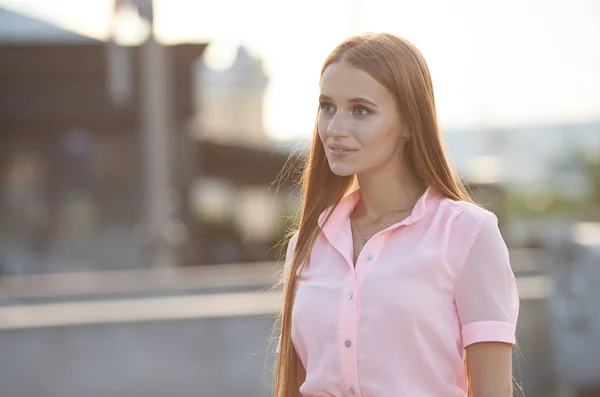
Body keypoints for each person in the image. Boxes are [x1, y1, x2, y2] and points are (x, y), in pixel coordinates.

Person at [272, 32, 519, 397]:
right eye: (327, 107)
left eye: (360, 110)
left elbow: (493, 389)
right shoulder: (306, 245)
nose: (335, 128)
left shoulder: (467, 234)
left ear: (408, 123)